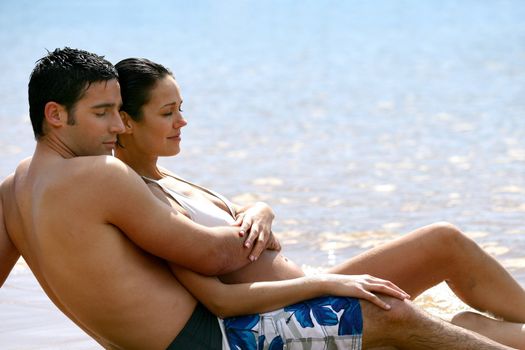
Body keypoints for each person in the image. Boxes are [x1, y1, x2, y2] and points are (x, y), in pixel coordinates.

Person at [0, 47, 515, 350]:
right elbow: (214, 258)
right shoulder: (99, 176)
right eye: (103, 114)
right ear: (55, 115)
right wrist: (265, 226)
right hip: (212, 340)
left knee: (422, 287)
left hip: (216, 328)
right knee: (390, 315)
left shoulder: (14, 190)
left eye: (117, 111)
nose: (116, 127)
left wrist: (258, 211)